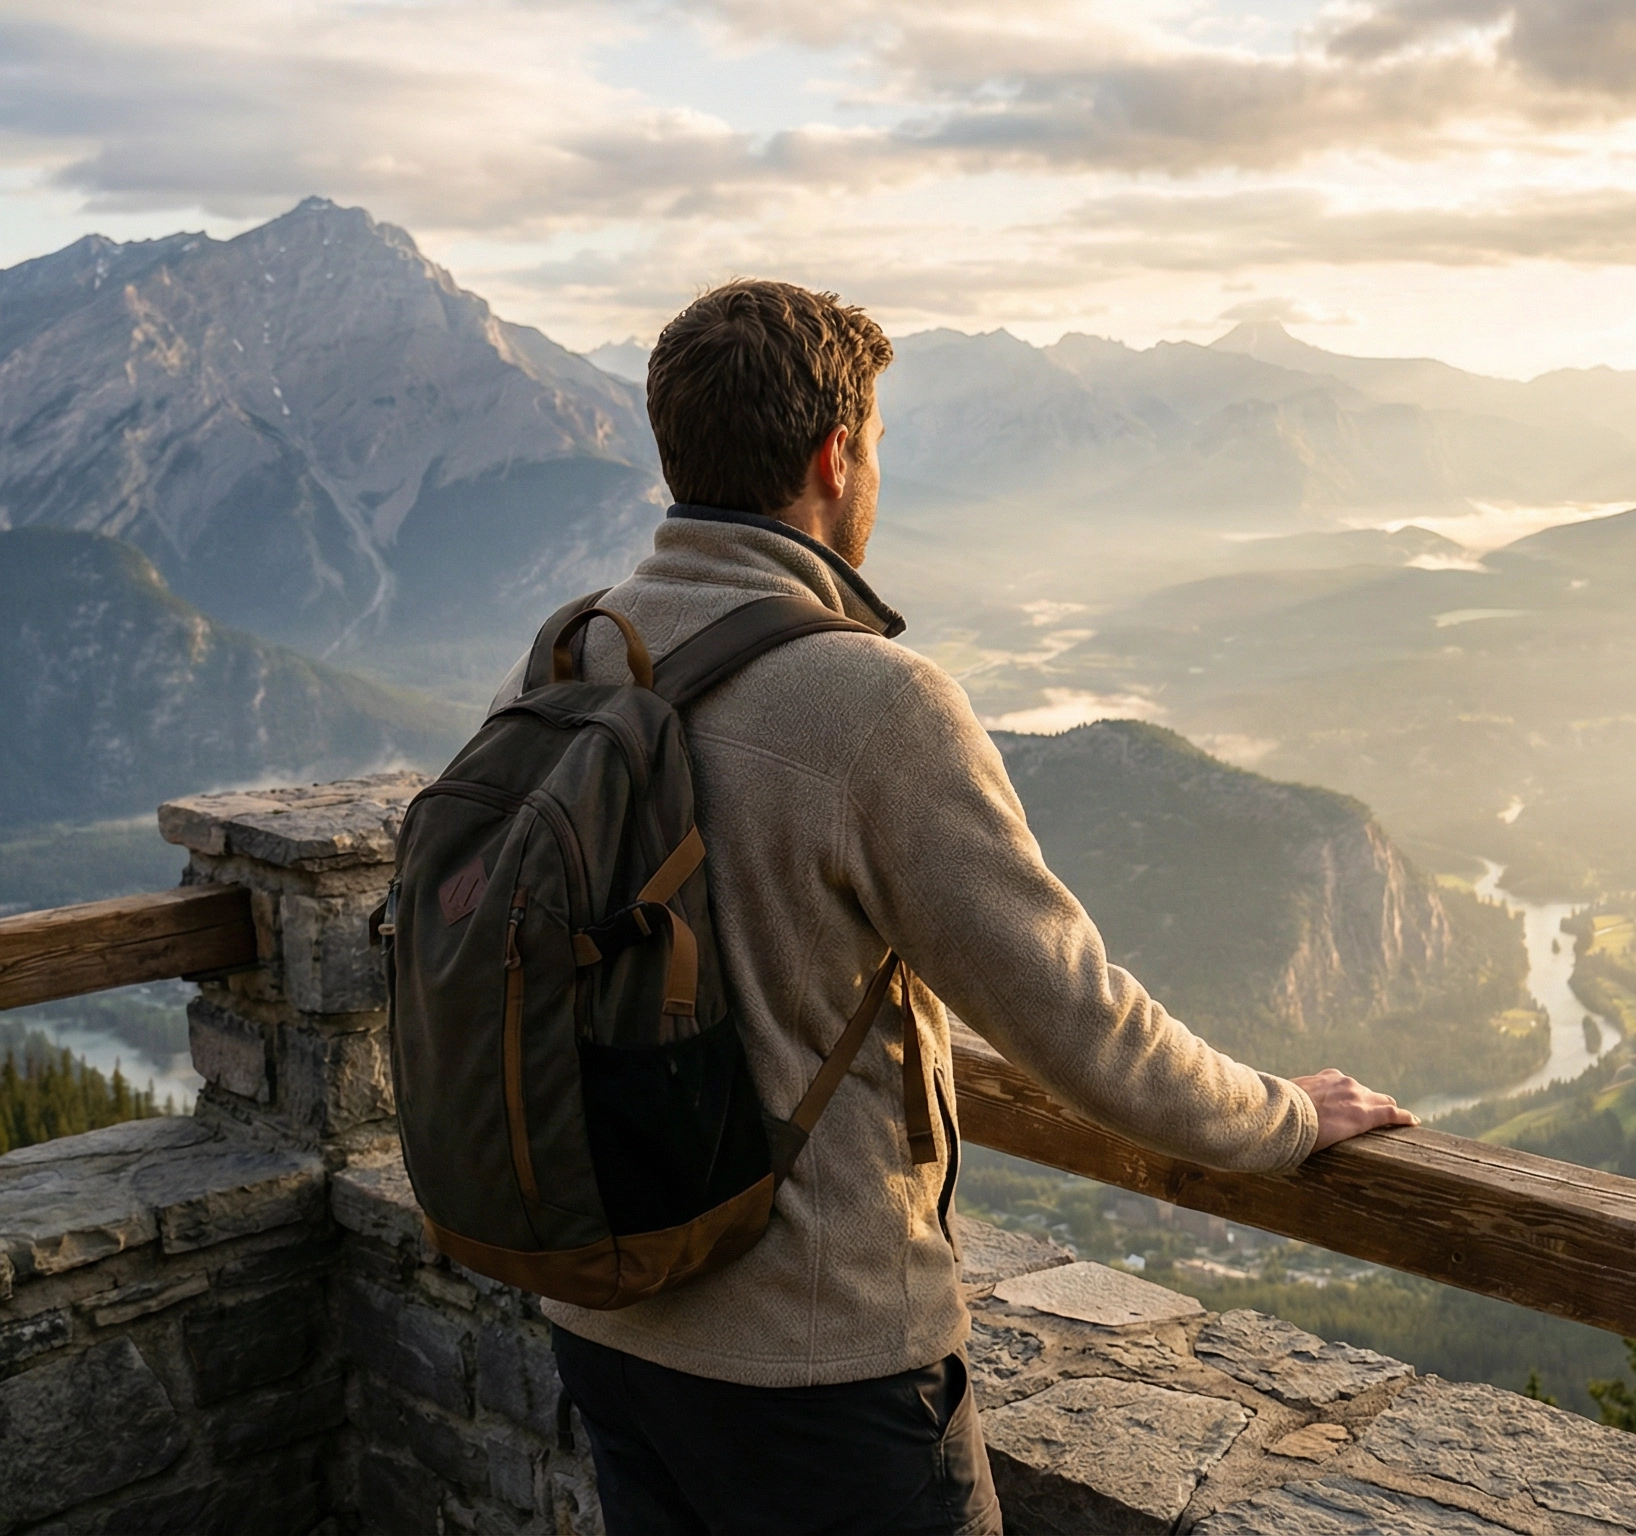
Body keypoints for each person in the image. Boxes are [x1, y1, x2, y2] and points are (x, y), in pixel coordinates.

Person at [529, 280, 1416, 1536]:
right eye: (876, 443)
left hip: (606, 1320)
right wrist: (1282, 1119)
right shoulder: (871, 704)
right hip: (814, 1361)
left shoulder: (577, 651)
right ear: (836, 457)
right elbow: (1079, 1023)